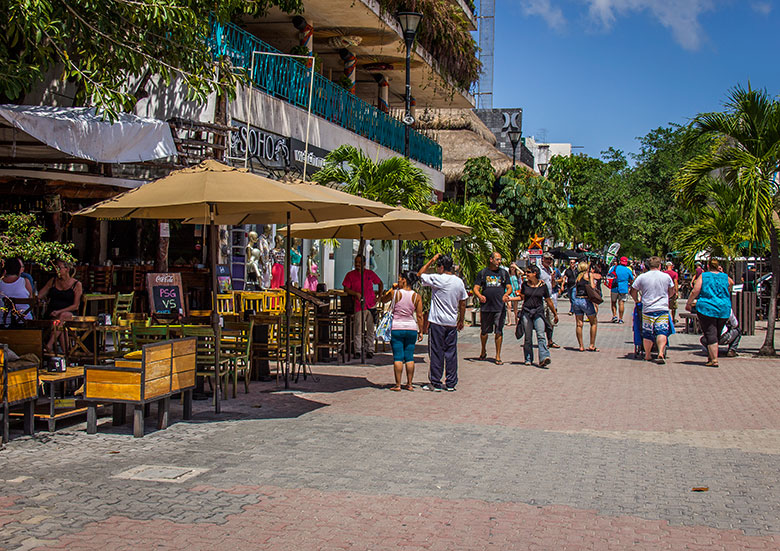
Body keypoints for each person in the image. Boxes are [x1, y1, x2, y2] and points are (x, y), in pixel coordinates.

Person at [418, 254, 468, 392]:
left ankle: (436, 382)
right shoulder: (459, 282)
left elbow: (420, 274)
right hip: (451, 322)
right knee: (451, 352)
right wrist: (461, 319)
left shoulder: (437, 279)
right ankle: (451, 382)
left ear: (441, 267)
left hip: (437, 321)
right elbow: (463, 302)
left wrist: (431, 260)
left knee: (436, 351)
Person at [506, 264, 558, 367]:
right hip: (526, 312)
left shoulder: (543, 286)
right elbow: (522, 297)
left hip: (538, 312)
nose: (526, 274)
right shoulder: (525, 285)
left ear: (535, 273)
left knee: (541, 335)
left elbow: (548, 301)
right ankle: (528, 358)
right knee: (528, 337)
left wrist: (555, 314)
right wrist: (510, 299)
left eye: (528, 272)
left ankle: (544, 357)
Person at [686, 258, 733, 368]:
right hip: (723, 308)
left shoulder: (704, 276)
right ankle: (711, 357)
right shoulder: (724, 276)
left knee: (710, 332)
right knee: (716, 333)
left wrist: (689, 302)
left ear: (707, 266)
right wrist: (721, 273)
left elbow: (695, 290)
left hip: (707, 307)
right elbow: (731, 283)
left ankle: (714, 359)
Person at [381, 271, 424, 391]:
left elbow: (383, 300)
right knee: (410, 357)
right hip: (411, 328)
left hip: (397, 327)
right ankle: (409, 384)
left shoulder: (395, 293)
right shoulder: (416, 296)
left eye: (400, 278)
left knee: (398, 357)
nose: (398, 281)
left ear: (404, 280)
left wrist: (391, 288)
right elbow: (419, 315)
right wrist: (420, 331)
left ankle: (398, 384)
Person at [630, 256, 674, 364]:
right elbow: (672, 290)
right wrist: (667, 297)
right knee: (662, 331)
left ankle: (648, 355)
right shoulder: (666, 277)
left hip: (647, 308)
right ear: (660, 265)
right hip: (662, 307)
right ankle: (660, 352)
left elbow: (633, 290)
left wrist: (636, 300)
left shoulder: (642, 277)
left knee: (647, 332)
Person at [473, 252, 512, 365]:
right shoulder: (483, 273)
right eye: (497, 259)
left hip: (499, 307)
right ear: (491, 259)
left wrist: (506, 294)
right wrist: (479, 296)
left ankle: (498, 355)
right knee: (484, 331)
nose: (499, 262)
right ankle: (483, 350)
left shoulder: (504, 273)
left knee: (499, 331)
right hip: (486, 307)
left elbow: (509, 287)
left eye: (500, 260)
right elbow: (476, 287)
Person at [342, 254, 383, 359]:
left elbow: (380, 283)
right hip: (359, 305)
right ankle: (358, 350)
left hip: (371, 304)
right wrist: (355, 293)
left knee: (370, 329)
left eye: (360, 262)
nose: (357, 264)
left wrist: (379, 296)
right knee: (358, 329)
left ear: (364, 264)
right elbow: (346, 288)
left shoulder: (370, 273)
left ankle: (370, 349)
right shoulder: (350, 275)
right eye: (356, 262)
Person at [38, 260, 83, 353]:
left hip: (69, 313)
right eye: (55, 268)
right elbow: (40, 294)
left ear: (67, 269)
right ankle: (67, 355)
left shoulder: (76, 284)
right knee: (62, 329)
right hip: (53, 314)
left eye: (59, 268)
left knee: (63, 316)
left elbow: (76, 306)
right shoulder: (53, 281)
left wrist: (59, 312)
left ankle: (49, 345)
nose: (56, 270)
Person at [572, 261, 599, 351]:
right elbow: (592, 286)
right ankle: (592, 345)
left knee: (579, 324)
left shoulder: (577, 277)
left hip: (577, 300)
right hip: (585, 301)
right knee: (594, 322)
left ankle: (581, 346)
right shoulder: (589, 275)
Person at [0, 258, 34, 325]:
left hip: (3, 322)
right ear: (19, 269)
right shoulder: (25, 281)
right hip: (25, 322)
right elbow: (31, 300)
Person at [538, 252, 562, 348]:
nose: (548, 261)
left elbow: (553, 285)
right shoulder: (539, 270)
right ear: (543, 259)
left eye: (550, 259)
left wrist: (553, 279)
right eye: (547, 259)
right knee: (542, 320)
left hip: (550, 297)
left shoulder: (551, 270)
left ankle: (550, 340)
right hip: (542, 298)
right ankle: (542, 341)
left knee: (551, 320)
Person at [607, 256, 634, 323]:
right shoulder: (628, 270)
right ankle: (621, 319)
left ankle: (614, 316)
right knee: (621, 303)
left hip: (614, 287)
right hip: (623, 288)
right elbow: (631, 279)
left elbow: (609, 275)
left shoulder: (614, 267)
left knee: (613, 302)